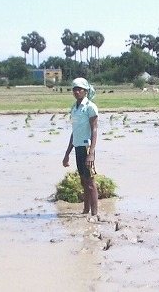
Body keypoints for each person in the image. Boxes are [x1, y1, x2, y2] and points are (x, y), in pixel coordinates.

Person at [62, 77, 99, 216]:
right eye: (74, 89)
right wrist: (67, 154)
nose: (77, 92)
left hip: (87, 147)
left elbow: (94, 130)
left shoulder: (90, 107)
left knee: (90, 182)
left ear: (85, 91)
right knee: (83, 181)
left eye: (80, 89)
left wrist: (91, 153)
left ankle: (95, 214)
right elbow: (74, 132)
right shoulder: (74, 108)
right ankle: (85, 209)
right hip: (77, 147)